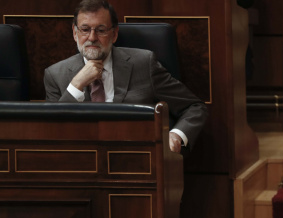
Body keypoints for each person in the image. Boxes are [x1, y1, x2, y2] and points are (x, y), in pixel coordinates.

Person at [44, 0, 208, 154]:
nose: (92, 38)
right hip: (82, 164)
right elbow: (52, 132)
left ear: (114, 34)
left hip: (138, 160)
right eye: (85, 29)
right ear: (75, 33)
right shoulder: (55, 74)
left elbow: (194, 107)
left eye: (101, 30)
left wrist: (177, 135)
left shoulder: (144, 64)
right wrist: (76, 85)